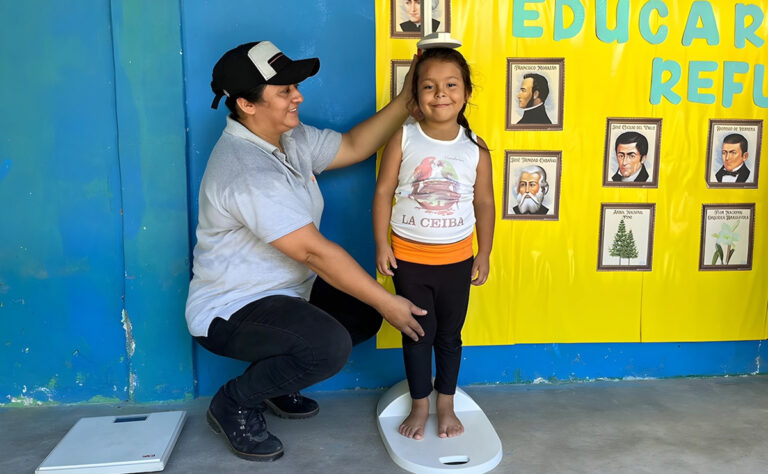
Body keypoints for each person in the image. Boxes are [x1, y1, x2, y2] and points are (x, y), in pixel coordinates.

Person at [186, 41, 427, 462]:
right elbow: (314, 254)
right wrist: (390, 302)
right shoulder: (246, 171)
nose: (298, 96)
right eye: (284, 91)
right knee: (328, 345)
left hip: (287, 291)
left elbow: (353, 145)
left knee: (361, 311)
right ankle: (234, 402)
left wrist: (408, 99)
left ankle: (277, 382)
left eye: (294, 86)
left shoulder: (288, 138)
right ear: (246, 103)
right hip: (232, 308)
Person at [373, 48, 495, 440]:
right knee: (417, 334)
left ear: (466, 92)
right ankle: (420, 402)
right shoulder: (404, 137)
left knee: (449, 335)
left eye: (450, 85)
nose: (440, 93)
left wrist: (485, 252)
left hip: (457, 259)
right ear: (416, 93)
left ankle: (446, 401)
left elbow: (485, 202)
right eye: (429, 86)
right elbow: (383, 191)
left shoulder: (476, 148)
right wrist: (382, 244)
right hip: (409, 258)